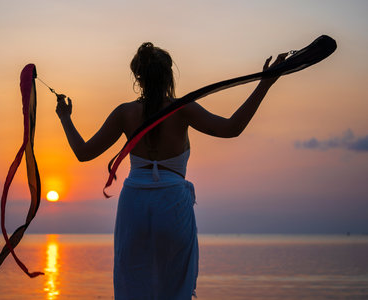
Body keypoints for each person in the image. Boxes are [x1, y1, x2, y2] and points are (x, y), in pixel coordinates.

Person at [56, 42, 287, 300]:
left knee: (131, 282)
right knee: (176, 287)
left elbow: (84, 152)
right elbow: (232, 127)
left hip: (134, 203)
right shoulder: (182, 109)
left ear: (138, 78)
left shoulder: (125, 113)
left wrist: (65, 117)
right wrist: (265, 84)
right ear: (169, 76)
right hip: (172, 203)